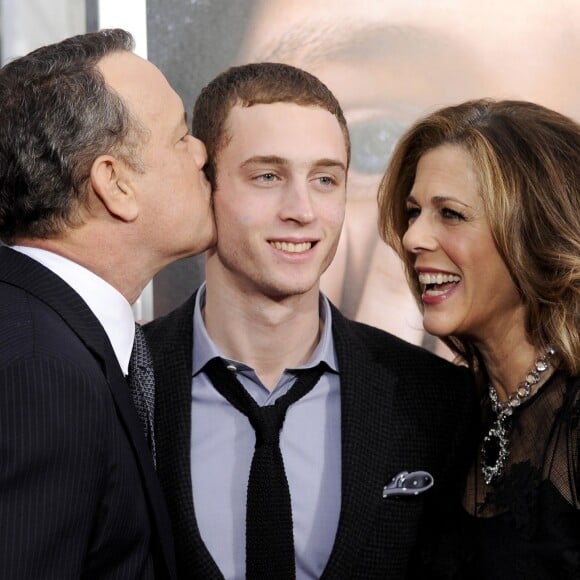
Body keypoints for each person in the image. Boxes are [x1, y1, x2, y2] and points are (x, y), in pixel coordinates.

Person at [144, 61, 478, 580]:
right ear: (205, 186)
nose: (302, 209)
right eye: (268, 176)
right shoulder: (120, 380)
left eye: (325, 179)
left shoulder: (434, 398)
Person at [0, 29, 215, 579]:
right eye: (180, 136)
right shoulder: (42, 372)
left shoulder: (43, 335)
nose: (202, 153)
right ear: (114, 184)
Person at [378, 98, 580, 579]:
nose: (411, 239)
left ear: (534, 232)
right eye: (413, 212)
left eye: (450, 214)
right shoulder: (443, 410)